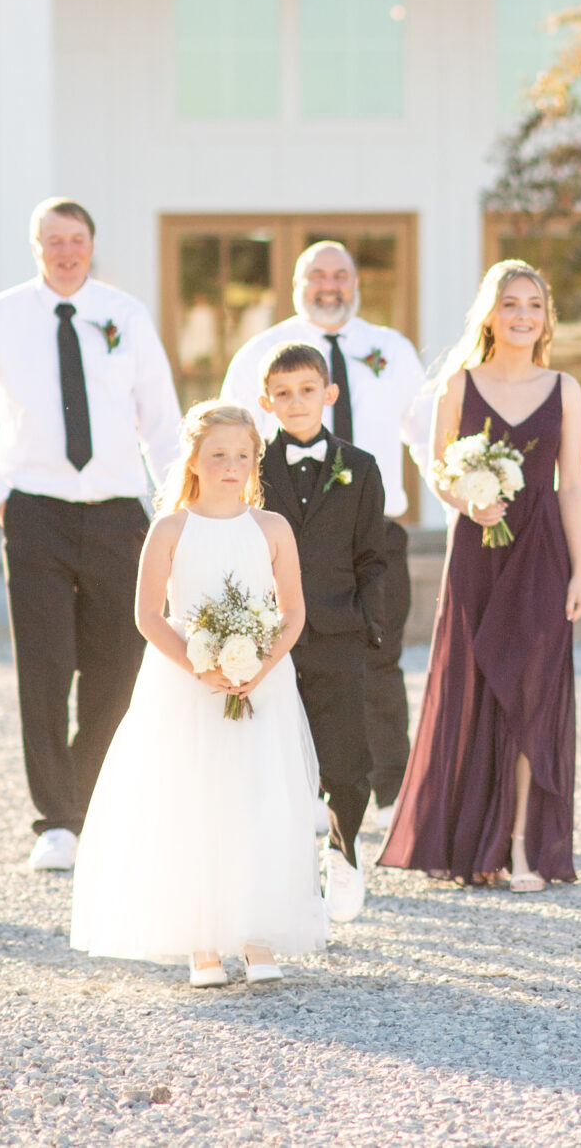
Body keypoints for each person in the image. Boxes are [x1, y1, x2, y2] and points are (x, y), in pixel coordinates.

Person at [0, 199, 182, 871]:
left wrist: (174, 503)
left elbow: (162, 422)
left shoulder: (124, 315)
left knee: (117, 664)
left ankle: (92, 797)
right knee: (44, 666)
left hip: (116, 515)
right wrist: (0, 499)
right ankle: (56, 821)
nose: (66, 251)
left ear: (92, 245)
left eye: (76, 240)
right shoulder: (0, 317)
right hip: (35, 511)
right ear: (36, 247)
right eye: (53, 241)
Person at [68, 402, 328, 987]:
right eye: (218, 455)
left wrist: (258, 665)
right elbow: (147, 615)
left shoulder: (272, 528)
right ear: (193, 460)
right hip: (187, 684)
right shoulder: (170, 528)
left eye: (242, 455)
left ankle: (256, 933)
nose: (231, 466)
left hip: (262, 683)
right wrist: (200, 665)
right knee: (197, 800)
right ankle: (203, 939)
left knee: (258, 795)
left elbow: (292, 613)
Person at [382, 261, 581, 889]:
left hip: (544, 549)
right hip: (478, 550)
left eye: (534, 304)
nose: (523, 315)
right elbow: (440, 470)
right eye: (510, 304)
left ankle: (524, 848)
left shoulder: (566, 388)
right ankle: (475, 841)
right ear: (490, 315)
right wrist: (468, 501)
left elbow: (573, 484)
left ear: (545, 316)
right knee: (475, 685)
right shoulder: (459, 385)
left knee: (534, 690)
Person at [219, 242, 428, 831]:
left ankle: (390, 791)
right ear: (295, 282)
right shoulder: (260, 351)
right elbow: (228, 437)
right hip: (285, 537)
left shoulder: (391, 348)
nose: (329, 285)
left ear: (356, 282)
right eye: (317, 275)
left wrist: (465, 496)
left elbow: (427, 432)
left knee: (379, 659)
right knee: (289, 662)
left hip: (375, 535)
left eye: (340, 274)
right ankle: (299, 790)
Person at [254, 343, 394, 919]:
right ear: (266, 401)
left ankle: (344, 853)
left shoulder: (359, 467)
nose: (296, 402)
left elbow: (373, 557)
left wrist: (368, 626)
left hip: (338, 631)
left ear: (329, 394)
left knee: (345, 760)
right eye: (283, 393)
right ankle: (288, 869)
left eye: (307, 390)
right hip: (268, 637)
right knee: (276, 757)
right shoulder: (253, 465)